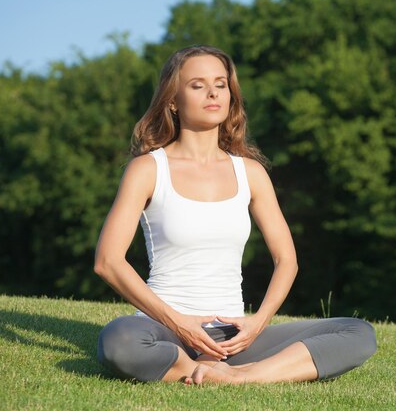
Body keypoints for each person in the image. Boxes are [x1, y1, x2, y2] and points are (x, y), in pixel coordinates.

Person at [94, 44, 377, 385]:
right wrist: (179, 322)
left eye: (221, 84)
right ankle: (193, 368)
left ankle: (239, 376)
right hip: (164, 328)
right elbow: (108, 261)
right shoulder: (148, 169)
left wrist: (257, 323)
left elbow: (286, 259)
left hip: (233, 338)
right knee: (119, 341)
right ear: (172, 101)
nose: (213, 92)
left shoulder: (250, 172)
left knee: (357, 332)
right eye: (197, 85)